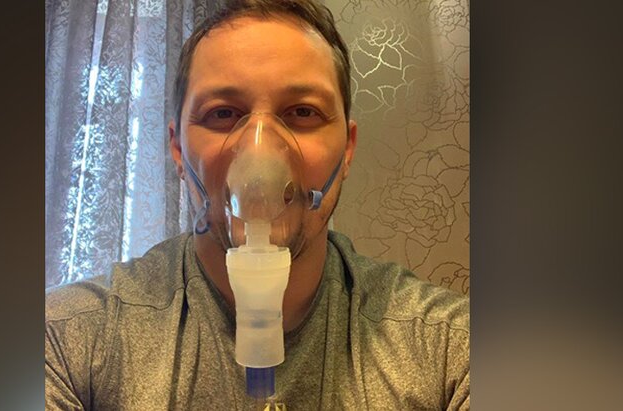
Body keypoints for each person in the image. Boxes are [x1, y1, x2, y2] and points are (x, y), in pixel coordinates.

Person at [45, 0, 469, 409]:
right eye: (222, 113)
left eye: (302, 112)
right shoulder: (68, 341)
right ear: (177, 149)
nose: (259, 156)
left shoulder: (448, 345)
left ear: (347, 149)